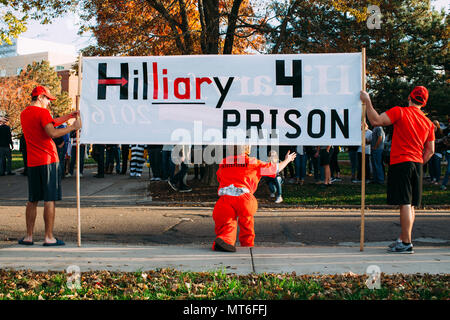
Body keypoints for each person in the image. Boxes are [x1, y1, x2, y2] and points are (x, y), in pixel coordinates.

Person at [361, 86, 435, 254]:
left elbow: (376, 121)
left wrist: (368, 101)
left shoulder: (400, 112)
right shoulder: (428, 123)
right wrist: (419, 163)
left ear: (409, 97)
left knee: (405, 203)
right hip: (416, 163)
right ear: (423, 103)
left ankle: (406, 243)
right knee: (411, 205)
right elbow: (430, 150)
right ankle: (403, 238)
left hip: (402, 161)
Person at [19, 85, 81, 246]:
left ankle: (29, 236)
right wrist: (72, 127)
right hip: (48, 160)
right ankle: (48, 237)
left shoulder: (24, 113)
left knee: (32, 199)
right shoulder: (43, 112)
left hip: (33, 162)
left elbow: (50, 123)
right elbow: (52, 132)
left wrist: (68, 116)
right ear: (40, 97)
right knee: (49, 199)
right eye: (47, 99)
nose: (48, 102)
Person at [212, 145, 296, 252]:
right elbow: (274, 170)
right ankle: (247, 245)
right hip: (244, 198)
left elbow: (219, 178)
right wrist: (287, 160)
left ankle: (225, 240)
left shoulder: (224, 163)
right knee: (246, 223)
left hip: (225, 198)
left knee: (226, 223)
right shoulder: (253, 162)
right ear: (247, 149)